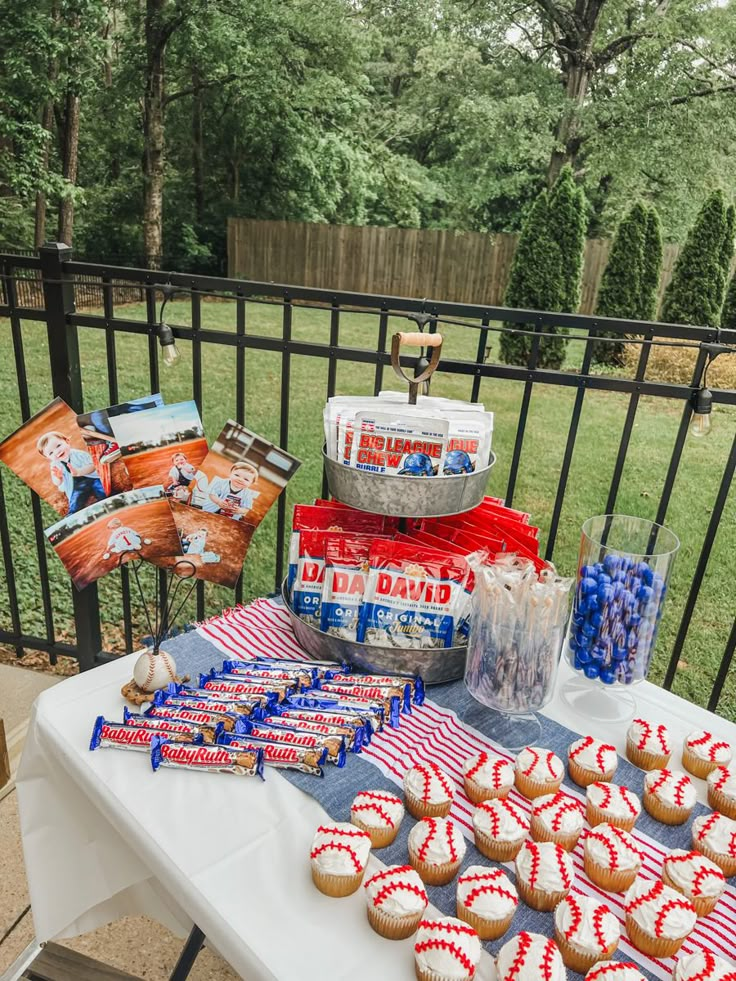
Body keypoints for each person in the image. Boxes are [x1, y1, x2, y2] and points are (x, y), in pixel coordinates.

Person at [37, 431, 106, 514]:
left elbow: (92, 466)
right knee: (75, 502)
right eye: (51, 453)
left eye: (58, 446)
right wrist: (59, 478)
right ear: (48, 457)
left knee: (103, 490)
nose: (57, 452)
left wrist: (79, 472)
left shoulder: (79, 454)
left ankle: (111, 501)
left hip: (92, 479)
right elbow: (57, 483)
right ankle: (74, 516)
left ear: (67, 441)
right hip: (75, 486)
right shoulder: (55, 465)